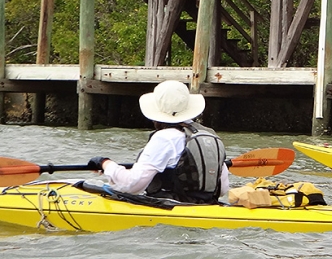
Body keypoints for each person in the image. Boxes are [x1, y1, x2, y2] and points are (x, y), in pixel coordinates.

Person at [87, 80, 230, 203]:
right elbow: (223, 189)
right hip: (208, 204)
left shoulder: (165, 138)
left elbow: (132, 185)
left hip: (172, 206)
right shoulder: (210, 135)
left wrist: (105, 163)